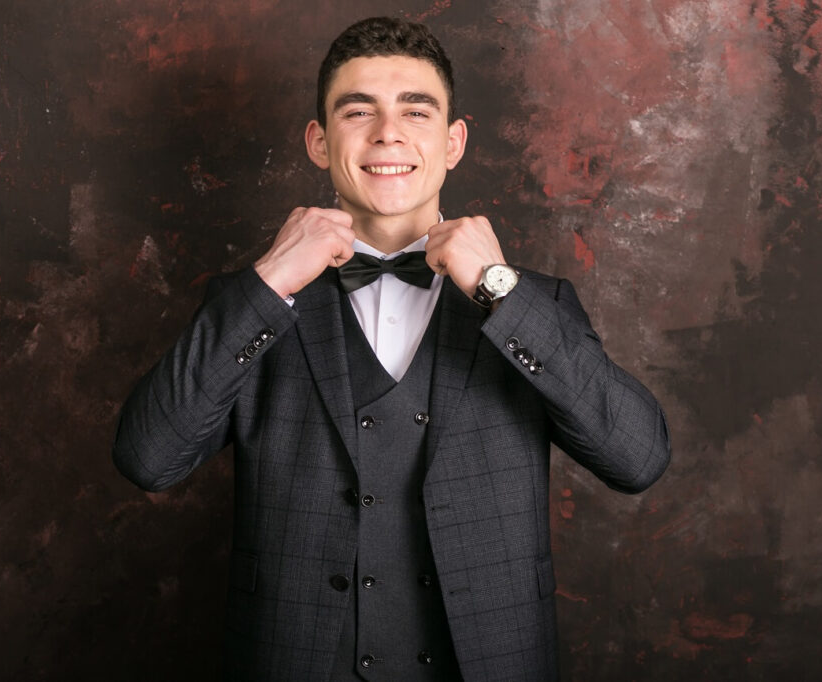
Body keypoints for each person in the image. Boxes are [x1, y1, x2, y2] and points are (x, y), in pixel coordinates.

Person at [113, 16, 670, 682]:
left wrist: (500, 290)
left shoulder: (535, 304)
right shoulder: (250, 303)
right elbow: (148, 458)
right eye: (358, 111)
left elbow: (638, 459)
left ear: (453, 142)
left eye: (416, 111)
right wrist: (269, 284)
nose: (387, 133)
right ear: (319, 142)